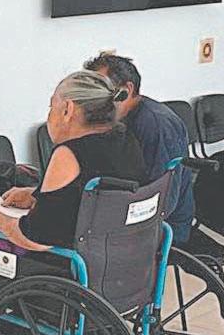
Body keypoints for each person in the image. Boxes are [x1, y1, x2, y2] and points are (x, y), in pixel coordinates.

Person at [0, 71, 145, 335]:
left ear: (68, 109)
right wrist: (36, 194)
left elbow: (36, 238)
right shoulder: (125, 140)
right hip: (125, 269)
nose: (49, 114)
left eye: (52, 106)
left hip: (65, 280)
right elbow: (90, 199)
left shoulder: (69, 154)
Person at [83, 54, 196, 245]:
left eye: (101, 91)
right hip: (128, 213)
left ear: (127, 90)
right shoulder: (114, 119)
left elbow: (163, 202)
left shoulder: (155, 125)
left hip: (163, 228)